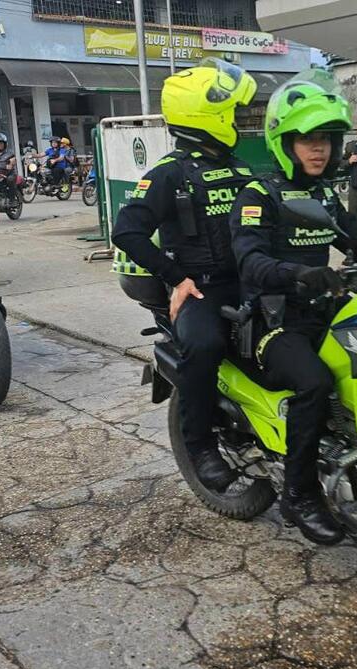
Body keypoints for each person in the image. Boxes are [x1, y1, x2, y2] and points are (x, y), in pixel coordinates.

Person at [231, 70, 357, 546]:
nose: (319, 148)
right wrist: (299, 273)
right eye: (308, 139)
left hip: (326, 308)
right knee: (315, 383)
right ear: (284, 142)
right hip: (273, 321)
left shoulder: (323, 194)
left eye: (325, 139)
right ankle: (299, 494)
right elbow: (250, 261)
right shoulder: (258, 196)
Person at [112, 58, 258, 492]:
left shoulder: (242, 168)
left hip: (249, 281)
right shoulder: (167, 174)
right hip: (202, 291)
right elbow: (127, 232)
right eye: (230, 113)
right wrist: (177, 278)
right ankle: (200, 446)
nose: (236, 121)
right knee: (204, 345)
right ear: (207, 116)